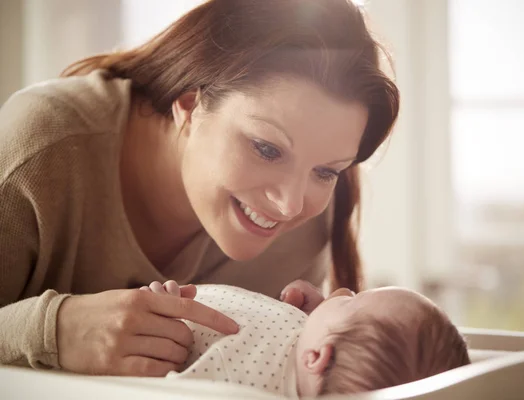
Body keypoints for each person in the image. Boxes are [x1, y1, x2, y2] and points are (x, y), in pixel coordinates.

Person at [0, 0, 399, 376]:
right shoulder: (39, 148)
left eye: (326, 172)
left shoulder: (304, 229)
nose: (290, 204)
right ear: (189, 103)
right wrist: (52, 331)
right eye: (266, 149)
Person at [140, 279, 470, 397]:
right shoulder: (303, 347)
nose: (344, 291)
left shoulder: (230, 383)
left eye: (352, 300)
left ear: (318, 357)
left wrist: (155, 310)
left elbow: (137, 387)